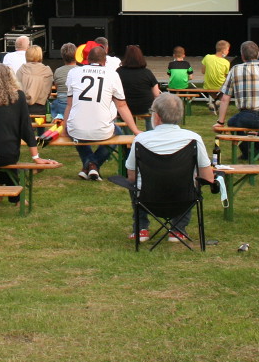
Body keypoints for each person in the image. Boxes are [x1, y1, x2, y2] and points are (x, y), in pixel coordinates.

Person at [125, 92, 215, 242]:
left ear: (158, 116)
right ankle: (178, 230)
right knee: (192, 181)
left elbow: (131, 176)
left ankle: (141, 228)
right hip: (183, 198)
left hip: (148, 199)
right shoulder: (193, 139)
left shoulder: (141, 140)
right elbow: (207, 177)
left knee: (132, 183)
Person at [0, 64, 57, 200]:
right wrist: (36, 157)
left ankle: (0, 187)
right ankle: (15, 198)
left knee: (0, 150)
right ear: (11, 78)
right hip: (6, 153)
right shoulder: (18, 96)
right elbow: (26, 128)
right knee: (4, 153)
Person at [64, 45, 139, 181]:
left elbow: (69, 104)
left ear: (87, 59)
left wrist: (64, 128)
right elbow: (121, 105)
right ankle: (93, 164)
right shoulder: (112, 74)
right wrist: (135, 129)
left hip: (75, 128)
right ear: (105, 62)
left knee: (76, 130)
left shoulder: (73, 73)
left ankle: (88, 165)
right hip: (102, 129)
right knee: (118, 133)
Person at [213, 40, 259, 160]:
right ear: (258, 54)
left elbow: (225, 98)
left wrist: (221, 122)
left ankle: (247, 151)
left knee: (232, 122)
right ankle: (256, 151)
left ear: (242, 56)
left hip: (246, 116)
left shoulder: (235, 70)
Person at [116, 44, 161, 131]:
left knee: (124, 117)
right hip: (146, 107)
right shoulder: (147, 72)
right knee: (150, 118)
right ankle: (150, 137)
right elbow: (156, 93)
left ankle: (128, 140)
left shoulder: (118, 72)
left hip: (125, 107)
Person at [15, 45, 54, 116]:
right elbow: (48, 92)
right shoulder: (47, 71)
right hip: (41, 107)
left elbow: (17, 89)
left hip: (23, 107)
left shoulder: (21, 70)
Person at [49, 42, 76, 120]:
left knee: (54, 103)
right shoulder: (80, 71)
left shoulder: (58, 71)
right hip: (76, 105)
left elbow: (57, 89)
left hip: (62, 106)